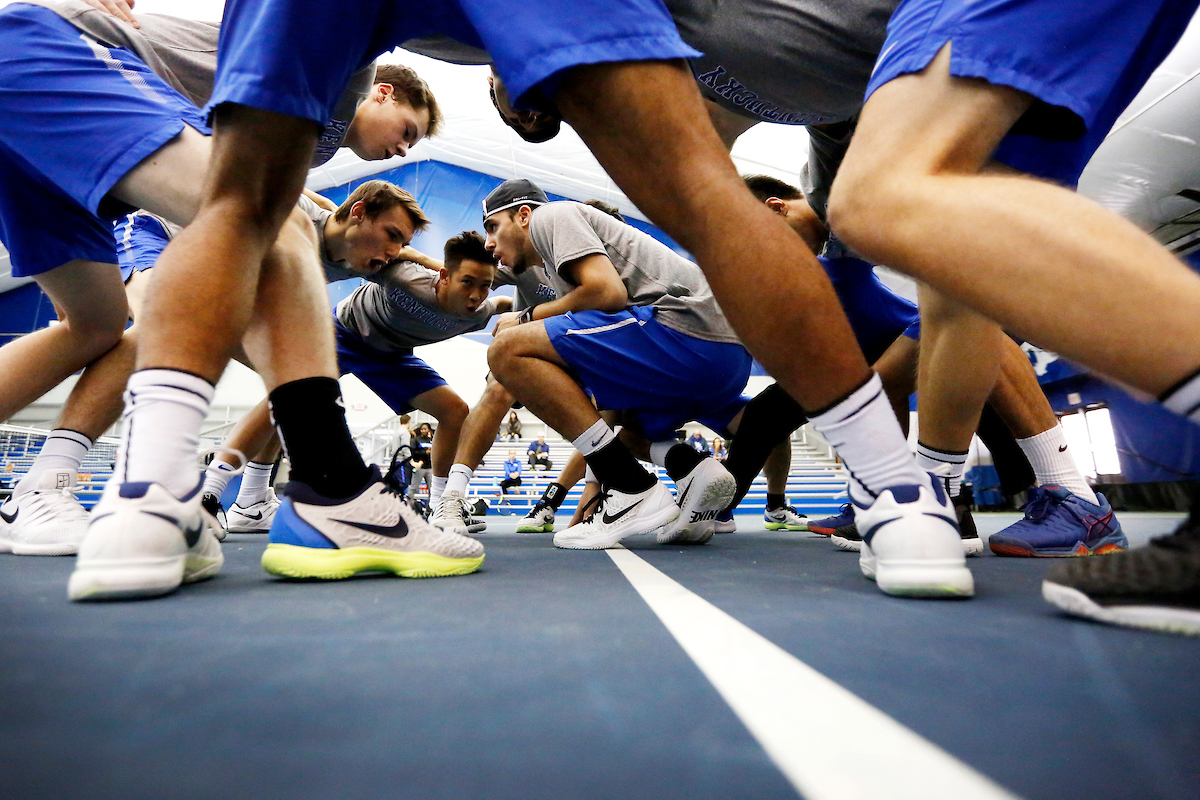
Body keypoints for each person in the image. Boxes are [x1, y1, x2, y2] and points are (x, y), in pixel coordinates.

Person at [0, 0, 462, 579]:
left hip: (37, 116)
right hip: (62, 53)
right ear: (386, 95)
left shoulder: (312, 143)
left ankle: (46, 488)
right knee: (265, 233)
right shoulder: (346, 76)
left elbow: (302, 195)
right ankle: (315, 494)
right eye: (408, 133)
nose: (402, 150)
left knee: (93, 326)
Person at [484, 179, 753, 548]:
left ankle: (633, 490)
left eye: (492, 227)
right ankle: (691, 469)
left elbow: (606, 292)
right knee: (626, 430)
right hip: (726, 360)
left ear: (524, 215)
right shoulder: (553, 265)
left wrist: (525, 319)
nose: (488, 243)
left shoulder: (551, 216)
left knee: (506, 350)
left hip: (691, 335)